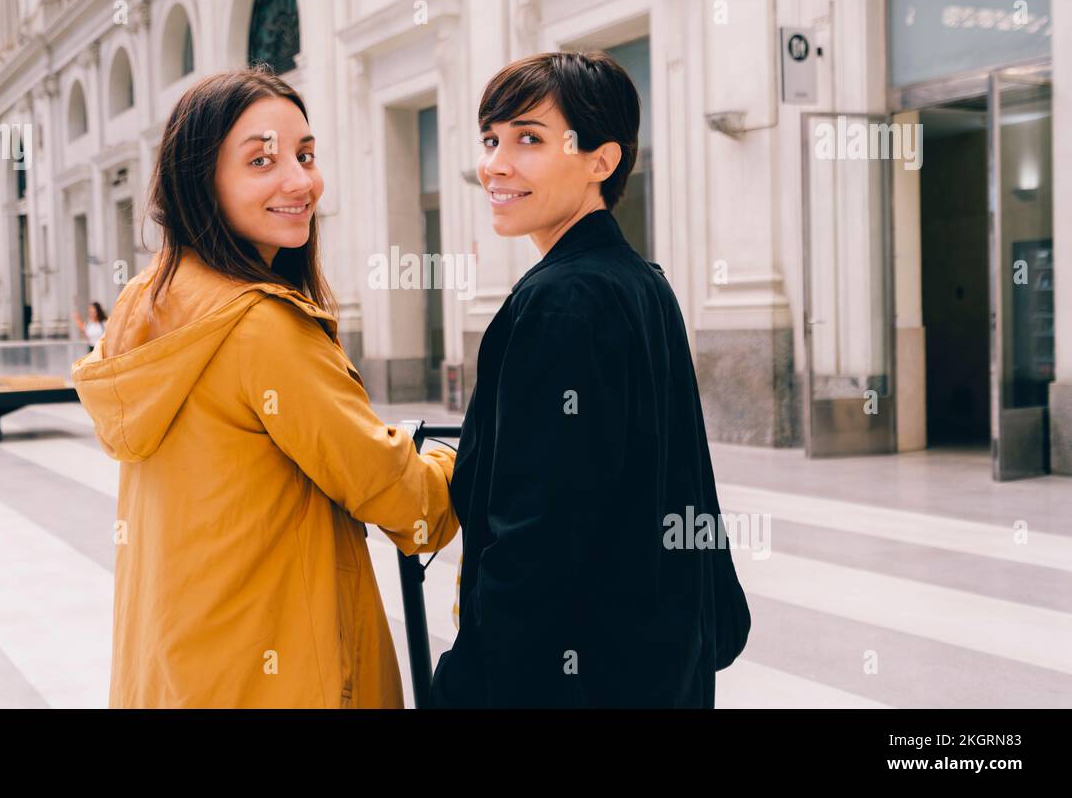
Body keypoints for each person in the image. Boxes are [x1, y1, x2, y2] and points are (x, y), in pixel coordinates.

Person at [72, 67, 458, 708]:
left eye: (305, 154)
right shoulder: (262, 329)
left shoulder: (148, 300)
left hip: (179, 669)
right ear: (203, 181)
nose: (300, 181)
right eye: (261, 161)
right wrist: (452, 457)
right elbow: (409, 506)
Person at [428, 51, 750, 709]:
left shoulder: (564, 299)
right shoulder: (638, 280)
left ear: (601, 162)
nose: (496, 163)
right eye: (492, 139)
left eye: (530, 139)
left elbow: (539, 529)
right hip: (655, 663)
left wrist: (472, 678)